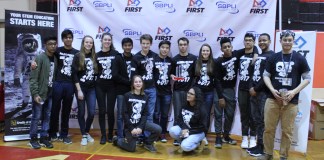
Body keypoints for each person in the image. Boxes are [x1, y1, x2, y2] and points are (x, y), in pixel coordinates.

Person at [261, 30, 311, 160]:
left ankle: (283, 156)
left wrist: (294, 92)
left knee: (287, 132)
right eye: (285, 40)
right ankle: (268, 154)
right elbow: (266, 75)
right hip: (272, 99)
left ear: (293, 41)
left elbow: (307, 78)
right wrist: (272, 90)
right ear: (280, 41)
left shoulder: (299, 58)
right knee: (268, 129)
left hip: (291, 100)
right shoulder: (273, 57)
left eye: (290, 40)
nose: (287, 42)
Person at [214, 37, 258, 149]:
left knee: (230, 115)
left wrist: (256, 53)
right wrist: (220, 97)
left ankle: (226, 135)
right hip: (219, 90)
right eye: (225, 47)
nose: (227, 48)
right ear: (221, 49)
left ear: (231, 47)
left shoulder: (236, 54)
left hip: (231, 90)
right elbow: (217, 80)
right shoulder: (218, 61)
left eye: (229, 46)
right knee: (219, 115)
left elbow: (251, 47)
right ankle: (218, 137)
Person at [112, 75, 162, 152]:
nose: (138, 84)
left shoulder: (145, 96)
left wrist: (140, 127)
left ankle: (148, 143)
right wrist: (131, 128)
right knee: (131, 148)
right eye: (136, 82)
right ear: (132, 84)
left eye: (140, 82)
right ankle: (117, 141)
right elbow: (124, 114)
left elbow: (145, 114)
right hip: (130, 126)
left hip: (141, 124)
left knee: (158, 129)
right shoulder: (127, 95)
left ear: (142, 84)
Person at [49, 29, 79, 144]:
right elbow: (47, 56)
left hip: (70, 84)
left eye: (70, 37)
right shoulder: (57, 50)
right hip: (58, 83)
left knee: (66, 111)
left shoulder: (76, 53)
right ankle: (52, 133)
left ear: (72, 39)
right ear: (62, 39)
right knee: (55, 109)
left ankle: (64, 134)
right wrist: (35, 62)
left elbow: (78, 69)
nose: (68, 39)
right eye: (66, 37)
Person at [247, 33, 274, 157]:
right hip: (254, 92)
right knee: (257, 120)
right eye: (260, 40)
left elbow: (267, 76)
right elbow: (254, 73)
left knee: (263, 121)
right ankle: (258, 144)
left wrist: (256, 89)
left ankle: (263, 147)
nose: (262, 42)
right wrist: (251, 87)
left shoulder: (272, 56)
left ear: (269, 41)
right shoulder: (259, 56)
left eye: (264, 40)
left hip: (263, 93)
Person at [28, 36, 57, 149]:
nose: (53, 46)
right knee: (36, 116)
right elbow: (33, 78)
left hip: (49, 93)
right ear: (45, 45)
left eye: (54, 44)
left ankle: (44, 137)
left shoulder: (55, 58)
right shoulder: (39, 58)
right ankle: (33, 138)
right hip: (40, 93)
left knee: (47, 116)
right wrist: (35, 94)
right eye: (50, 44)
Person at [72, 35, 98, 146]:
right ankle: (83, 135)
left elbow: (97, 73)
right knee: (81, 112)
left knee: (91, 113)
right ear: (83, 43)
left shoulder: (95, 57)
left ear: (93, 44)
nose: (88, 44)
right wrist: (79, 90)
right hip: (81, 88)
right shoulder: (78, 56)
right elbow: (74, 75)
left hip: (92, 88)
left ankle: (86, 132)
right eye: (87, 42)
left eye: (91, 43)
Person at [170, 37, 197, 146]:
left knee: (188, 115)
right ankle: (177, 137)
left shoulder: (194, 58)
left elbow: (196, 75)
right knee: (177, 114)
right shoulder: (174, 59)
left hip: (189, 91)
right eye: (180, 44)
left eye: (185, 44)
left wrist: (193, 90)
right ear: (178, 46)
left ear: (187, 45)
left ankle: (188, 135)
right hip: (177, 91)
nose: (183, 46)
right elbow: (171, 73)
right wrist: (172, 76)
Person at [95, 32, 120, 144]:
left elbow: (120, 71)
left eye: (109, 40)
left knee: (110, 111)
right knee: (102, 111)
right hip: (100, 86)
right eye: (105, 39)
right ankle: (103, 135)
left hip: (112, 86)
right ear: (102, 41)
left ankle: (110, 134)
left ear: (111, 41)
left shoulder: (116, 54)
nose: (107, 41)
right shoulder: (97, 55)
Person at [169, 87, 207, 152]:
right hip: (186, 129)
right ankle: (183, 142)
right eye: (188, 93)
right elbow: (179, 120)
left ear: (196, 96)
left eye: (191, 94)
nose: (188, 95)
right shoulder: (185, 105)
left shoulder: (201, 109)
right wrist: (184, 128)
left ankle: (199, 143)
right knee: (172, 130)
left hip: (197, 132)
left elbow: (203, 127)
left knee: (185, 147)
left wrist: (189, 131)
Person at [238, 33, 259, 149]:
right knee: (244, 114)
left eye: (250, 40)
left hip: (253, 89)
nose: (248, 42)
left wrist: (255, 51)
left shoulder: (258, 55)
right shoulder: (240, 54)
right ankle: (245, 136)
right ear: (244, 42)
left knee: (253, 115)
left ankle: (253, 136)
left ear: (254, 42)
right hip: (242, 89)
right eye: (246, 40)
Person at [130, 34, 157, 125]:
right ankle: (139, 134)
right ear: (140, 44)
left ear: (151, 44)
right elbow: (133, 76)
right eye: (143, 43)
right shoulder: (136, 57)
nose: (145, 45)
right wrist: (136, 89)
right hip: (141, 90)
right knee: (139, 112)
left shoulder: (154, 55)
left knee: (150, 113)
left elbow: (157, 72)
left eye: (147, 43)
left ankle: (148, 135)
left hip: (152, 89)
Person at [194, 43, 215, 145]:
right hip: (198, 93)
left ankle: (204, 136)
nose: (205, 52)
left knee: (206, 115)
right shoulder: (197, 62)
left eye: (207, 51)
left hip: (209, 93)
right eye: (203, 51)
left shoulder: (213, 63)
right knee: (197, 114)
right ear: (200, 52)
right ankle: (196, 135)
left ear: (210, 52)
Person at [153, 40, 173, 143]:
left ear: (169, 49)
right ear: (159, 48)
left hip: (167, 92)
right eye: (163, 47)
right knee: (156, 114)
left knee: (165, 114)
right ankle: (156, 133)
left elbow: (173, 73)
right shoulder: (154, 59)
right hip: (155, 91)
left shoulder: (171, 60)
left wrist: (172, 76)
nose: (165, 49)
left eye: (167, 48)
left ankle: (163, 133)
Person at [115, 37, 133, 139]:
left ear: (132, 46)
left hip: (131, 91)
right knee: (120, 115)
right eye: (125, 45)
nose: (127, 47)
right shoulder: (118, 58)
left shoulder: (134, 58)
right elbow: (115, 75)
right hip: (121, 91)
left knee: (129, 115)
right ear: (122, 46)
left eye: (129, 45)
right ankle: (120, 136)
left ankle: (128, 134)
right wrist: (128, 82)